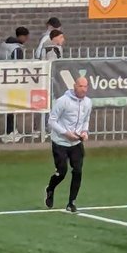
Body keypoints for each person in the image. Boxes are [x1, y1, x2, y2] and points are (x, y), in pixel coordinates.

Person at [45, 75, 92, 214]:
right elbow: (51, 121)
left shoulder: (88, 102)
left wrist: (84, 132)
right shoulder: (63, 101)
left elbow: (86, 119)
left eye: (85, 86)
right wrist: (65, 133)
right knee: (62, 172)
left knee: (78, 171)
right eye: (80, 86)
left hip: (76, 143)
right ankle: (50, 189)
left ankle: (71, 202)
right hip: (60, 142)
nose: (83, 89)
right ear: (74, 86)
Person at [0, 26, 29, 143]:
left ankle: (10, 130)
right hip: (13, 81)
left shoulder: (3, 45)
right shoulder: (17, 49)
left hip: (3, 78)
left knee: (9, 108)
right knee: (12, 107)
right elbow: (18, 66)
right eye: (26, 37)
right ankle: (11, 132)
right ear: (22, 36)